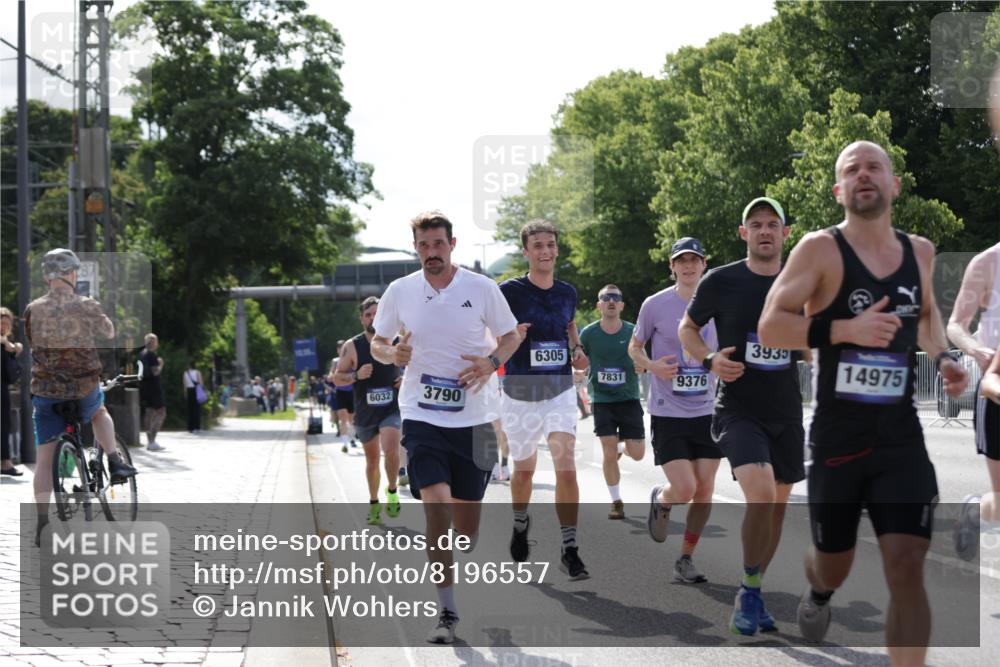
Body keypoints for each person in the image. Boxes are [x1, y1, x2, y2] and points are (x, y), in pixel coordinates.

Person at [758, 141, 968, 664]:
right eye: (852, 170)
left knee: (906, 563)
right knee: (834, 562)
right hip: (839, 437)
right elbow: (771, 324)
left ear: (895, 183)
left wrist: (943, 358)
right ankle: (821, 590)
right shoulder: (819, 250)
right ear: (839, 190)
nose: (864, 175)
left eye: (875, 167)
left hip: (899, 437)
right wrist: (845, 328)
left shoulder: (919, 250)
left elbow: (923, 317)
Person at [370, 210, 520, 644]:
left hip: (475, 420)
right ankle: (447, 610)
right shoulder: (400, 291)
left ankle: (461, 540)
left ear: (452, 244)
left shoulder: (481, 288)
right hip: (421, 413)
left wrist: (492, 362)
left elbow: (511, 336)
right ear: (415, 247)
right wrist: (390, 355)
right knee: (437, 508)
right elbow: (379, 342)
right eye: (423, 245)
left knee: (466, 527)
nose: (431, 253)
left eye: (438, 244)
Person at [678, 198, 806, 635]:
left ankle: (752, 589)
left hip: (786, 411)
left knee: (776, 510)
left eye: (773, 224)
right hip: (737, 408)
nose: (765, 231)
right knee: (762, 494)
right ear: (743, 233)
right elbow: (687, 329)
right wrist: (710, 359)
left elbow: (815, 341)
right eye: (756, 225)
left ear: (786, 233)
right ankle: (750, 593)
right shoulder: (722, 280)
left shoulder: (803, 282)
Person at [24, 249, 137, 544]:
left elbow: (32, 340)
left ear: (47, 276)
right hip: (83, 388)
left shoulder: (33, 308)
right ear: (72, 274)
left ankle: (42, 523)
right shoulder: (87, 305)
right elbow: (108, 333)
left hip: (46, 393)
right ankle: (115, 461)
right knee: (99, 412)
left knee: (44, 460)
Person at [500, 220, 590, 580]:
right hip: (520, 393)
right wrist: (509, 338)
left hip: (558, 390)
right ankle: (520, 523)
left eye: (551, 244)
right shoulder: (508, 292)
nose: (546, 251)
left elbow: (569, 327)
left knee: (565, 462)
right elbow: (490, 330)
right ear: (526, 252)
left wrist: (578, 349)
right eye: (538, 245)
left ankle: (570, 548)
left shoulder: (567, 292)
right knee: (524, 471)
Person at [631, 237, 722, 584]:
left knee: (705, 490)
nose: (687, 266)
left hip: (708, 410)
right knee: (684, 489)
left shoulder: (718, 303)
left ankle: (686, 558)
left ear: (703, 264)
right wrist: (652, 366)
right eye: (680, 261)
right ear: (671, 267)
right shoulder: (655, 305)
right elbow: (634, 347)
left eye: (694, 260)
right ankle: (664, 499)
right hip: (668, 410)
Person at [334, 296, 404, 525]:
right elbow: (337, 379)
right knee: (372, 461)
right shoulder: (352, 346)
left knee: (391, 449)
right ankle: (374, 502)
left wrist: (406, 379)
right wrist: (355, 375)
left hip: (391, 408)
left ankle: (392, 490)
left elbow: (419, 369)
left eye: (376, 313)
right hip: (365, 412)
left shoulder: (397, 341)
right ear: (361, 319)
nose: (373, 318)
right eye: (368, 315)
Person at [579, 284, 646, 520]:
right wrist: (578, 371)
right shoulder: (588, 333)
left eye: (615, 298)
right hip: (602, 400)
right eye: (605, 297)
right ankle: (616, 501)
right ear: (599, 305)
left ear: (622, 305)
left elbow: (644, 357)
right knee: (608, 450)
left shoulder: (633, 331)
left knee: (637, 454)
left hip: (628, 399)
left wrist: (643, 365)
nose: (611, 301)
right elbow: (579, 360)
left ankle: (622, 447)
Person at [1, 307, 25, 475]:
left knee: (4, 424)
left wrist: (13, 346)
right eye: (1, 323)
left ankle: (6, 463)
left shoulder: (8, 344)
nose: (3, 326)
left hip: (2, 387)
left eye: (6, 324)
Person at [138, 333, 166, 452]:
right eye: (156, 341)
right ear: (152, 343)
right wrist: (160, 364)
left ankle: (149, 441)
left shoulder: (142, 354)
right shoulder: (151, 355)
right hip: (154, 388)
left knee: (149, 413)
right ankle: (152, 440)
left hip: (144, 387)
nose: (157, 344)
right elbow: (155, 372)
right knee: (161, 412)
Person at [183, 363, 204, 433]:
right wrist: (201, 390)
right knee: (196, 409)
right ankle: (197, 427)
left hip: (189, 390)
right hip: (196, 390)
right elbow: (200, 382)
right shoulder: (197, 372)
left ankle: (190, 427)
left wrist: (185, 393)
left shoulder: (185, 373)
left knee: (190, 410)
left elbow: (184, 384)